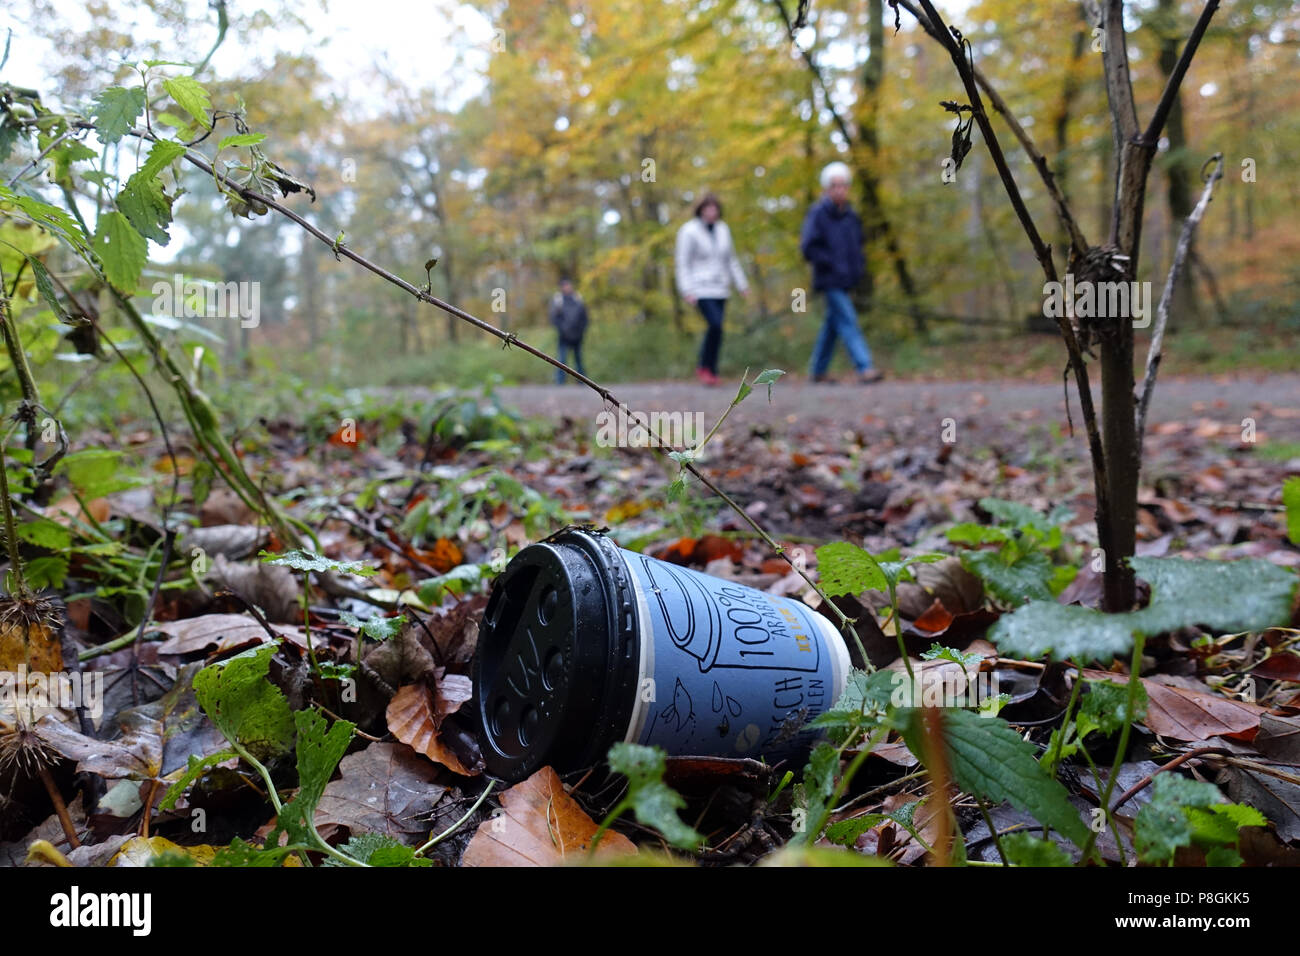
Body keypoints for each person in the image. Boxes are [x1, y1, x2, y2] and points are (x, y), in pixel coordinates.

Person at [799, 162, 883, 384]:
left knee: (832, 325)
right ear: (827, 188)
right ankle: (865, 367)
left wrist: (856, 271)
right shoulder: (818, 214)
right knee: (848, 320)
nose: (840, 189)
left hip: (847, 280)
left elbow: (857, 248)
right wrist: (831, 264)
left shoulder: (851, 217)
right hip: (829, 279)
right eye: (835, 185)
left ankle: (817, 370)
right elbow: (808, 247)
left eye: (843, 185)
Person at [674, 192, 750, 386]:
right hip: (700, 288)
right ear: (701, 209)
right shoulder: (688, 231)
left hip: (721, 288)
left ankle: (711, 370)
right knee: (715, 324)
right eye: (708, 208)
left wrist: (742, 284)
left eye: (715, 208)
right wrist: (687, 290)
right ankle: (704, 366)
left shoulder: (723, 229)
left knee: (717, 329)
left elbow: (730, 259)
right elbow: (682, 262)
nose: (711, 212)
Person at [548, 277, 588, 385]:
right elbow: (554, 318)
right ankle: (560, 382)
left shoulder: (577, 299)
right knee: (561, 360)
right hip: (564, 337)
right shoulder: (558, 301)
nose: (567, 287)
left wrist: (581, 331)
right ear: (561, 288)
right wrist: (563, 329)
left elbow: (584, 317)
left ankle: (582, 382)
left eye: (568, 285)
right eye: (565, 286)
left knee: (578, 360)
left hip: (577, 336)